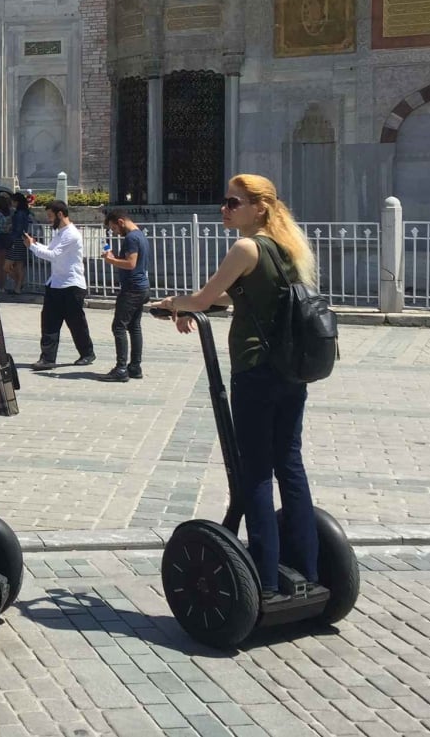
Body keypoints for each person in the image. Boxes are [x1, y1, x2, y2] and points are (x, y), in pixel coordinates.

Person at [151, 174, 320, 600]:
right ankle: (309, 567)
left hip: (256, 371)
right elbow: (234, 297)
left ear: (259, 207)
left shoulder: (246, 247)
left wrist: (172, 305)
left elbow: (207, 299)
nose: (224, 210)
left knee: (256, 471)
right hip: (290, 372)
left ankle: (263, 581)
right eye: (225, 202)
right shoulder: (288, 248)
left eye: (233, 202)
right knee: (290, 466)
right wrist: (190, 305)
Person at [25, 200, 95, 370]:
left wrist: (33, 247)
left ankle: (87, 353)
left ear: (60, 214)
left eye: (50, 216)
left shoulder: (71, 234)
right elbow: (50, 250)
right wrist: (35, 244)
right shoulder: (60, 233)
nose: (49, 220)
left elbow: (54, 255)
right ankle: (48, 358)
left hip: (71, 285)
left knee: (76, 322)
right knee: (49, 322)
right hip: (56, 283)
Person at [102, 208, 150, 381]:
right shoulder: (140, 235)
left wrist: (111, 260)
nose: (114, 232)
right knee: (134, 327)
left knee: (119, 327)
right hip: (142, 287)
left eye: (114, 228)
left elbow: (131, 264)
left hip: (132, 289)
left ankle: (121, 368)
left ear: (120, 222)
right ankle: (135, 366)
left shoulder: (131, 238)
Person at [3, 192, 32, 295]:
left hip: (16, 239)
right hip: (22, 239)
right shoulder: (25, 212)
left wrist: (11, 238)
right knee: (19, 265)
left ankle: (18, 284)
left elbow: (18, 229)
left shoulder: (19, 214)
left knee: (7, 266)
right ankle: (18, 286)